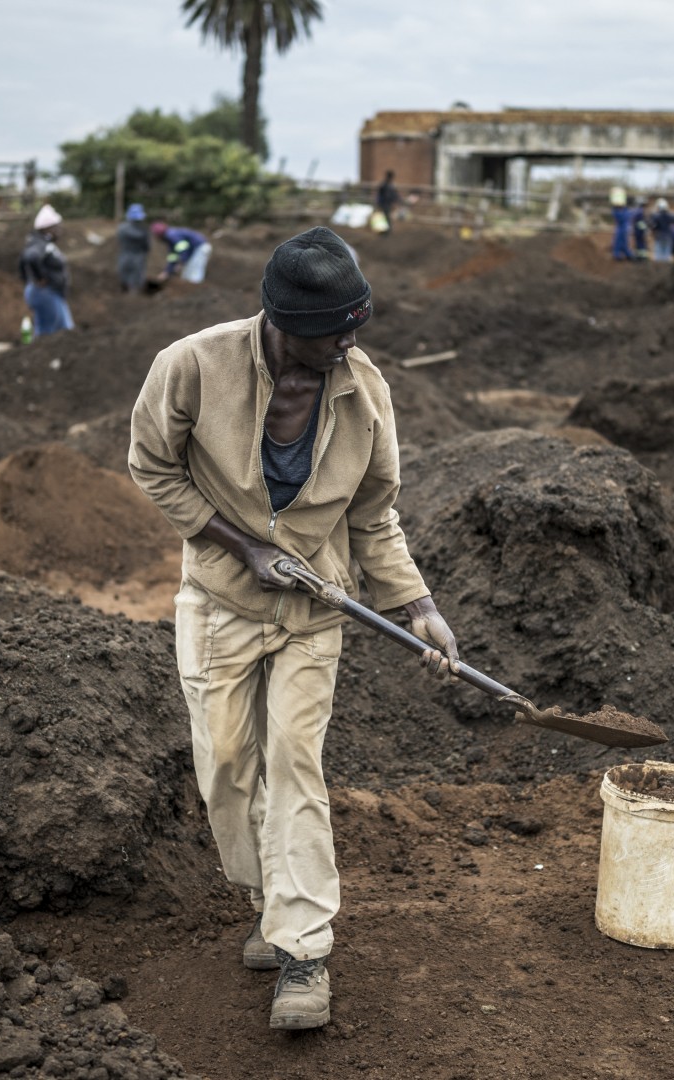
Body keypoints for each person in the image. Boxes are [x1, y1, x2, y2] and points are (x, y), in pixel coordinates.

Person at [128, 226, 460, 1032]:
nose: (348, 344)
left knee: (293, 763)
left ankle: (305, 948)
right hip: (219, 602)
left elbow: (375, 515)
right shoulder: (193, 366)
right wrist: (241, 547)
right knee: (227, 766)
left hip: (318, 609)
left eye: (357, 327)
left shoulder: (363, 390)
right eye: (334, 332)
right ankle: (267, 899)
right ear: (282, 323)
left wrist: (418, 607)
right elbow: (151, 466)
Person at [19, 204, 73, 337]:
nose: (59, 230)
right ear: (48, 228)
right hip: (45, 293)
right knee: (46, 335)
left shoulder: (42, 243)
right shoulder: (39, 244)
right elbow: (30, 258)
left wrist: (26, 279)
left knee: (67, 332)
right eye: (56, 227)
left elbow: (21, 261)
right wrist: (39, 278)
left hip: (52, 293)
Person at [116, 203, 152, 293]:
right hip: (138, 255)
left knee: (124, 272)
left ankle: (125, 289)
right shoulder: (144, 231)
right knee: (136, 276)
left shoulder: (121, 228)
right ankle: (134, 292)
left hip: (125, 253)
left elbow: (120, 240)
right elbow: (147, 246)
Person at [374, 170, 399, 236]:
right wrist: (379, 203)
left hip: (387, 203)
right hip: (384, 203)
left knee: (387, 217)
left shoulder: (390, 185)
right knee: (385, 217)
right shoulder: (385, 185)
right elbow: (380, 195)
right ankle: (386, 231)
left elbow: (394, 195)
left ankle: (387, 231)